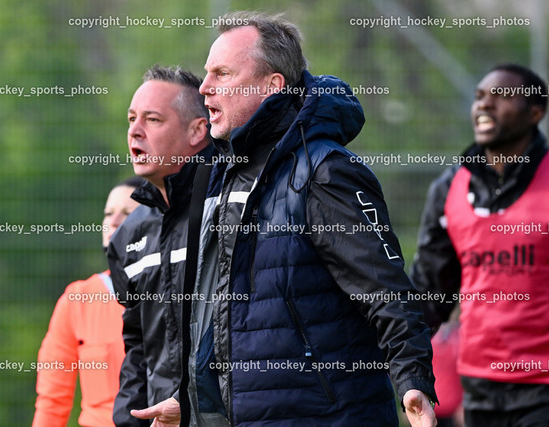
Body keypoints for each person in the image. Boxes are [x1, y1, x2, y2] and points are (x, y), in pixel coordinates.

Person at [171, 11, 437, 426]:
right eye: (207, 74)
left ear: (272, 85)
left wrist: (412, 380)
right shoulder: (221, 175)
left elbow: (385, 289)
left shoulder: (326, 171)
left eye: (222, 74)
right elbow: (219, 316)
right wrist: (188, 401)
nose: (204, 87)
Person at [411, 63, 549, 427]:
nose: (484, 104)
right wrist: (409, 372)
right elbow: (429, 294)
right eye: (479, 97)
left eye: (501, 96)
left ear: (535, 113)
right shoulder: (449, 188)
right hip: (478, 387)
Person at [107, 65, 213, 427]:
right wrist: (130, 421)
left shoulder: (232, 206)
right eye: (131, 119)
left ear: (197, 130)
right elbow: (137, 347)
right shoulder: (128, 235)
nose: (135, 131)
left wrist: (193, 405)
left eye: (152, 119)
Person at [33, 176, 143, 427]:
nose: (113, 221)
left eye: (127, 213)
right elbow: (52, 400)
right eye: (108, 213)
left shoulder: (175, 292)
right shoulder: (77, 300)